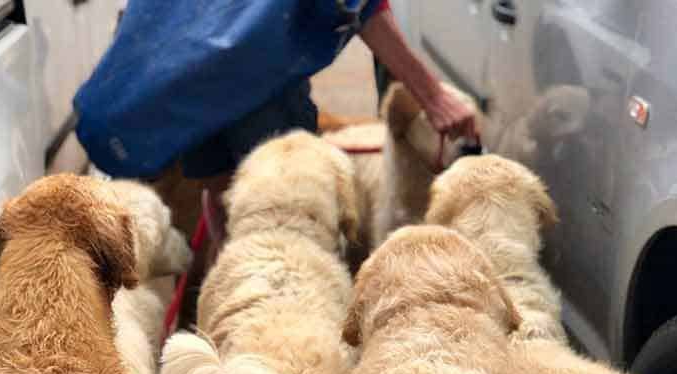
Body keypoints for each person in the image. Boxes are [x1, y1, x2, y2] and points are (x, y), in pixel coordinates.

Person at [74, 1, 476, 241]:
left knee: (223, 191)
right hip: (257, 75)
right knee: (289, 214)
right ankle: (284, 329)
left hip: (189, 77)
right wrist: (433, 96)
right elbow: (356, 7)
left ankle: (233, 313)